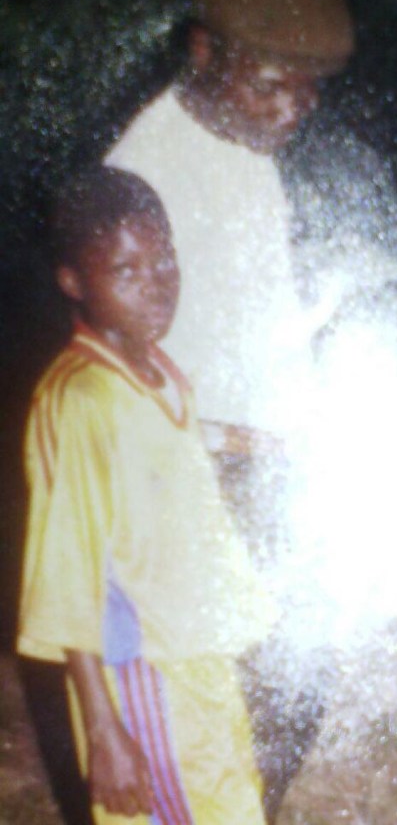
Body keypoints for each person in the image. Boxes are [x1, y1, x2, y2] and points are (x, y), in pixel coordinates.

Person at [104, 0, 397, 822]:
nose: (294, 109)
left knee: (294, 684)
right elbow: (121, 384)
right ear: (203, 51)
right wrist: (240, 442)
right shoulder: (142, 177)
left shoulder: (247, 146)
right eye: (273, 83)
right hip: (199, 484)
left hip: (276, 469)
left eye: (310, 88)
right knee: (218, 704)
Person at [17, 167, 276, 824]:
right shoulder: (80, 399)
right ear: (74, 282)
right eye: (125, 272)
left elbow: (151, 451)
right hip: (144, 681)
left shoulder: (152, 367)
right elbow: (68, 566)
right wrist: (104, 729)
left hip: (195, 661)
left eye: (163, 261)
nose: (155, 286)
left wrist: (230, 438)